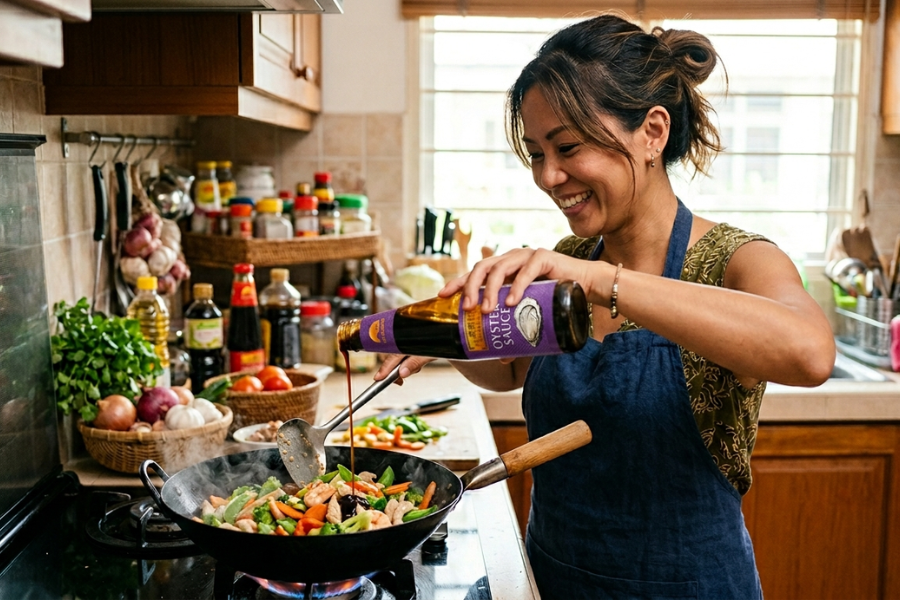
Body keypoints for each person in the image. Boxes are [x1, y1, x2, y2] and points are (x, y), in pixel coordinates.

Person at [376, 13, 835, 599]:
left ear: (653, 132)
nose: (549, 176)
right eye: (536, 153)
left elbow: (809, 353)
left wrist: (601, 280)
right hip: (551, 579)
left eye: (567, 147)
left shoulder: (736, 261)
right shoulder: (571, 258)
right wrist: (445, 337)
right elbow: (510, 371)